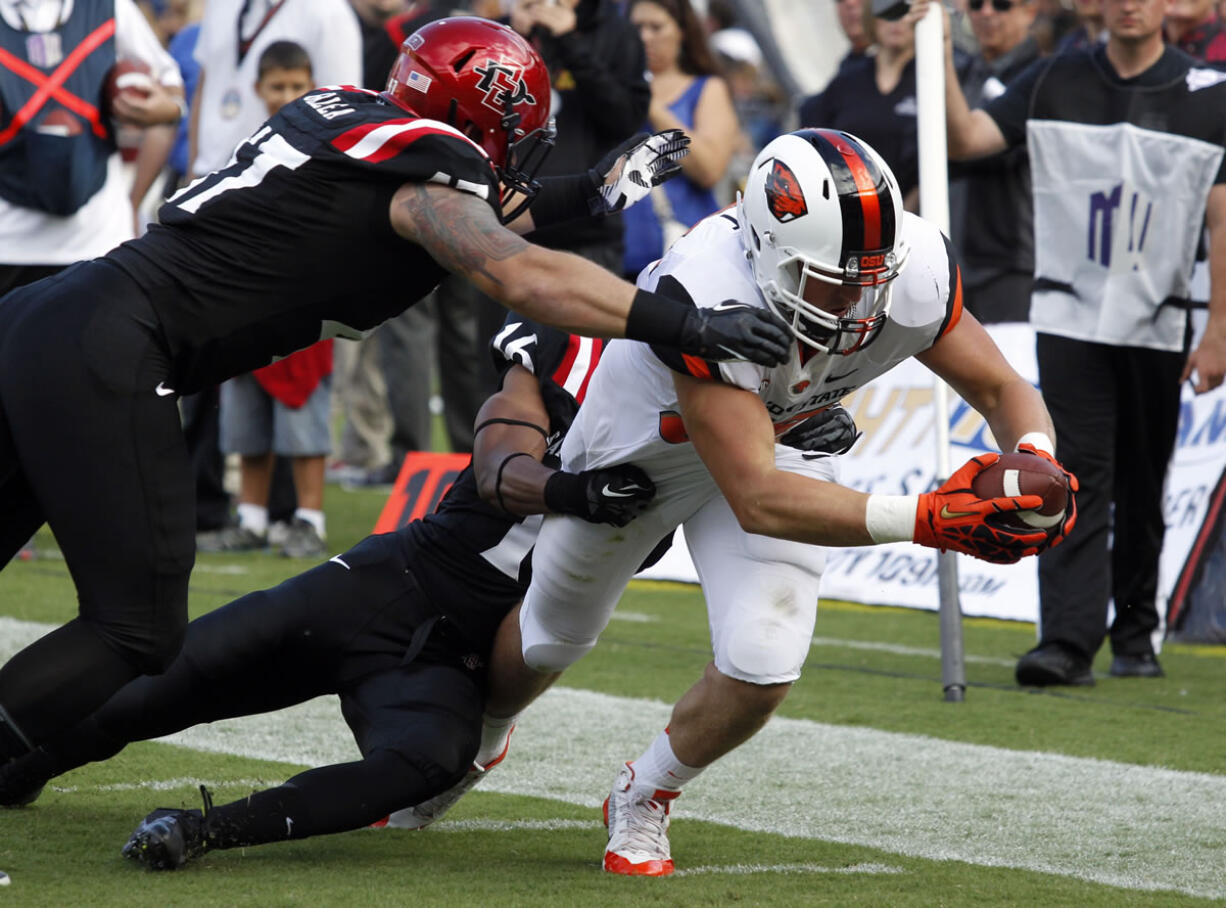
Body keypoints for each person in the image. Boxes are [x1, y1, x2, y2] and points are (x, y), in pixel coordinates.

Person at [0, 16, 791, 775]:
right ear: (476, 120)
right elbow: (517, 269)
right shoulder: (426, 174)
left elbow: (463, 208)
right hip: (111, 347)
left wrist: (587, 191)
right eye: (512, 133)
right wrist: (683, 323)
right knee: (135, 630)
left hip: (47, 316)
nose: (513, 155)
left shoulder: (352, 120)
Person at [404, 129, 1079, 876]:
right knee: (549, 638)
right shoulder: (708, 285)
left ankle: (647, 792)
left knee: (764, 657)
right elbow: (756, 497)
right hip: (645, 446)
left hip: (778, 435)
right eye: (830, 279)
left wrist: (1035, 461)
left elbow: (1000, 388)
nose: (858, 299)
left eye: (870, 275)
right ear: (764, 247)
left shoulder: (913, 269)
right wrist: (928, 519)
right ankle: (482, 739)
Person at [0, 317, 662, 868]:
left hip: (447, 655)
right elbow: (497, 473)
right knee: (151, 694)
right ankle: (28, 763)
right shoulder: (572, 351)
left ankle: (205, 831)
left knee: (428, 759)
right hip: (386, 583)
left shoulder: (701, 456)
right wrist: (575, 492)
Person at [929, 0, 1226, 684]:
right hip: (1069, 319)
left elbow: (1222, 220)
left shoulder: (1207, 95)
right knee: (1073, 477)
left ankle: (1135, 635)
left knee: (1144, 483)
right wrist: (939, 50)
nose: (1129, 5)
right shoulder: (1052, 79)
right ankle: (1065, 641)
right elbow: (968, 137)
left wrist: (1217, 331)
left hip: (1160, 321)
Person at [204, 40, 337, 559]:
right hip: (249, 303)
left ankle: (309, 519)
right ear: (258, 90)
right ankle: (252, 518)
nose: (286, 95)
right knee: (245, 421)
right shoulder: (250, 146)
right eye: (277, 86)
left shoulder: (335, 145)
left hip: (308, 304)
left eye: (296, 86)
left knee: (305, 421)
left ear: (313, 86)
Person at [0, 0, 184, 296]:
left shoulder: (110, 7)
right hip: (8, 239)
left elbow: (171, 88)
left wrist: (164, 108)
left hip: (97, 234)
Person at [621, 0, 740, 279]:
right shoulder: (613, 89)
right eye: (637, 27)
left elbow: (709, 168)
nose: (645, 36)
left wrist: (650, 104)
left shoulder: (708, 88)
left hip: (683, 259)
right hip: (616, 258)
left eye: (656, 27)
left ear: (682, 32)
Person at [947, 0, 1042, 323]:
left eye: (1001, 4)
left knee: (1012, 372)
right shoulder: (959, 73)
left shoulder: (1044, 77)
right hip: (952, 260)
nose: (987, 13)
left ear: (1031, 9)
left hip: (1012, 263)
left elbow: (986, 152)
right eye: (977, 4)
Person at [796, 1, 925, 210]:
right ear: (871, 17)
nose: (896, 21)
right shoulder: (847, 80)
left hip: (911, 214)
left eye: (904, 11)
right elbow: (809, 141)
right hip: (845, 210)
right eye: (887, 12)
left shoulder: (932, 80)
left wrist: (904, 217)